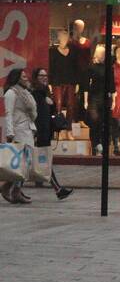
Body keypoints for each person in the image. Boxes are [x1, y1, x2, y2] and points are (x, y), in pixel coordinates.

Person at [31, 68, 73, 200]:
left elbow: (50, 112)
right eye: (41, 75)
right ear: (36, 77)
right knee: (39, 162)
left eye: (45, 75)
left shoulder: (45, 92)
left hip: (45, 132)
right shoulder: (35, 93)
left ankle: (57, 189)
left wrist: (51, 103)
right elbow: (37, 116)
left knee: (39, 161)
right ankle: (58, 189)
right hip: (39, 133)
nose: (44, 77)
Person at [2, 68, 37, 204]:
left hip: (28, 129)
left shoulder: (26, 93)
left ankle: (11, 188)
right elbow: (9, 114)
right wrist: (10, 133)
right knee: (20, 164)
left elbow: (32, 112)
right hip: (18, 132)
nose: (26, 78)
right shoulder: (11, 93)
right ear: (16, 78)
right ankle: (11, 188)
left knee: (27, 163)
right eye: (23, 76)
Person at [85, 45, 111, 155]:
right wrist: (86, 101)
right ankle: (95, 145)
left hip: (103, 98)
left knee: (102, 123)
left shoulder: (107, 68)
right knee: (94, 123)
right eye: (102, 54)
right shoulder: (92, 67)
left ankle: (100, 145)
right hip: (94, 98)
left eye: (104, 54)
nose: (103, 56)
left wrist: (112, 98)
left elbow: (111, 85)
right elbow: (86, 84)